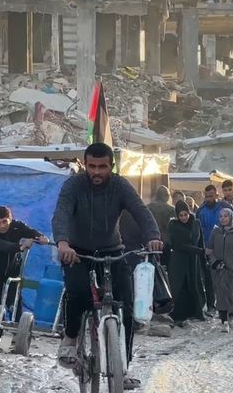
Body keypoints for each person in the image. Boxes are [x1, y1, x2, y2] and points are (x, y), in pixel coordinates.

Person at [52, 143, 163, 390]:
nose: (97, 172)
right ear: (85, 165)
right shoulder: (73, 185)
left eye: (102, 166)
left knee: (127, 302)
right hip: (77, 252)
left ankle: (122, 367)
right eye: (92, 166)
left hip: (113, 252)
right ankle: (70, 339)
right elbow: (61, 213)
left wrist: (153, 235)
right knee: (78, 292)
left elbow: (140, 211)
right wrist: (62, 242)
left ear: (111, 166)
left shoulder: (120, 185)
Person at [0, 206, 48, 322]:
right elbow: (0, 245)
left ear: (10, 219)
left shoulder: (17, 226)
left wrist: (40, 237)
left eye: (4, 221)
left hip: (12, 269)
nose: (2, 226)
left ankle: (18, 330)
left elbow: (30, 232)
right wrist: (20, 247)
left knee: (15, 301)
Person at [206, 208, 233, 332]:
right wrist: (214, 262)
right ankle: (223, 320)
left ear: (231, 218)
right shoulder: (215, 232)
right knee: (220, 295)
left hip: (231, 269)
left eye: (226, 216)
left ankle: (231, 315)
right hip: (218, 270)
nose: (223, 218)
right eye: (221, 216)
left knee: (230, 294)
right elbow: (209, 250)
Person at [167, 201, 206, 327]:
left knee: (194, 285)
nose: (184, 217)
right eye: (181, 215)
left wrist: (203, 255)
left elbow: (200, 241)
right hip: (179, 260)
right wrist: (199, 251)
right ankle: (178, 315)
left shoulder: (195, 223)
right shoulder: (173, 226)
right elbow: (178, 245)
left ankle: (195, 312)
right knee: (179, 287)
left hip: (193, 260)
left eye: (185, 214)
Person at [195, 185, 229, 317]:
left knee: (223, 279)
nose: (208, 199)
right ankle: (211, 306)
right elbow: (196, 231)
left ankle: (226, 306)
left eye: (211, 196)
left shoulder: (224, 208)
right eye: (206, 196)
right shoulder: (201, 211)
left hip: (223, 249)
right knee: (209, 279)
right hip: (207, 250)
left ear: (216, 195)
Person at [147, 185, 175, 266]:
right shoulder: (172, 210)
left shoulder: (147, 208)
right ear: (166, 196)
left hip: (151, 243)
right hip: (167, 244)